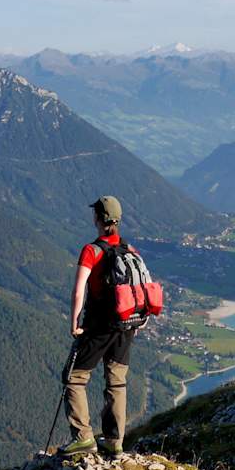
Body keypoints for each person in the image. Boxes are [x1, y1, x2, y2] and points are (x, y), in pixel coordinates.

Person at [60, 195, 136, 456]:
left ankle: (83, 437)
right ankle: (115, 441)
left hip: (99, 326)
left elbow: (78, 291)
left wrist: (74, 322)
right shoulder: (129, 250)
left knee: (74, 378)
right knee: (116, 382)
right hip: (126, 326)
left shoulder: (91, 251)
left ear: (98, 218)